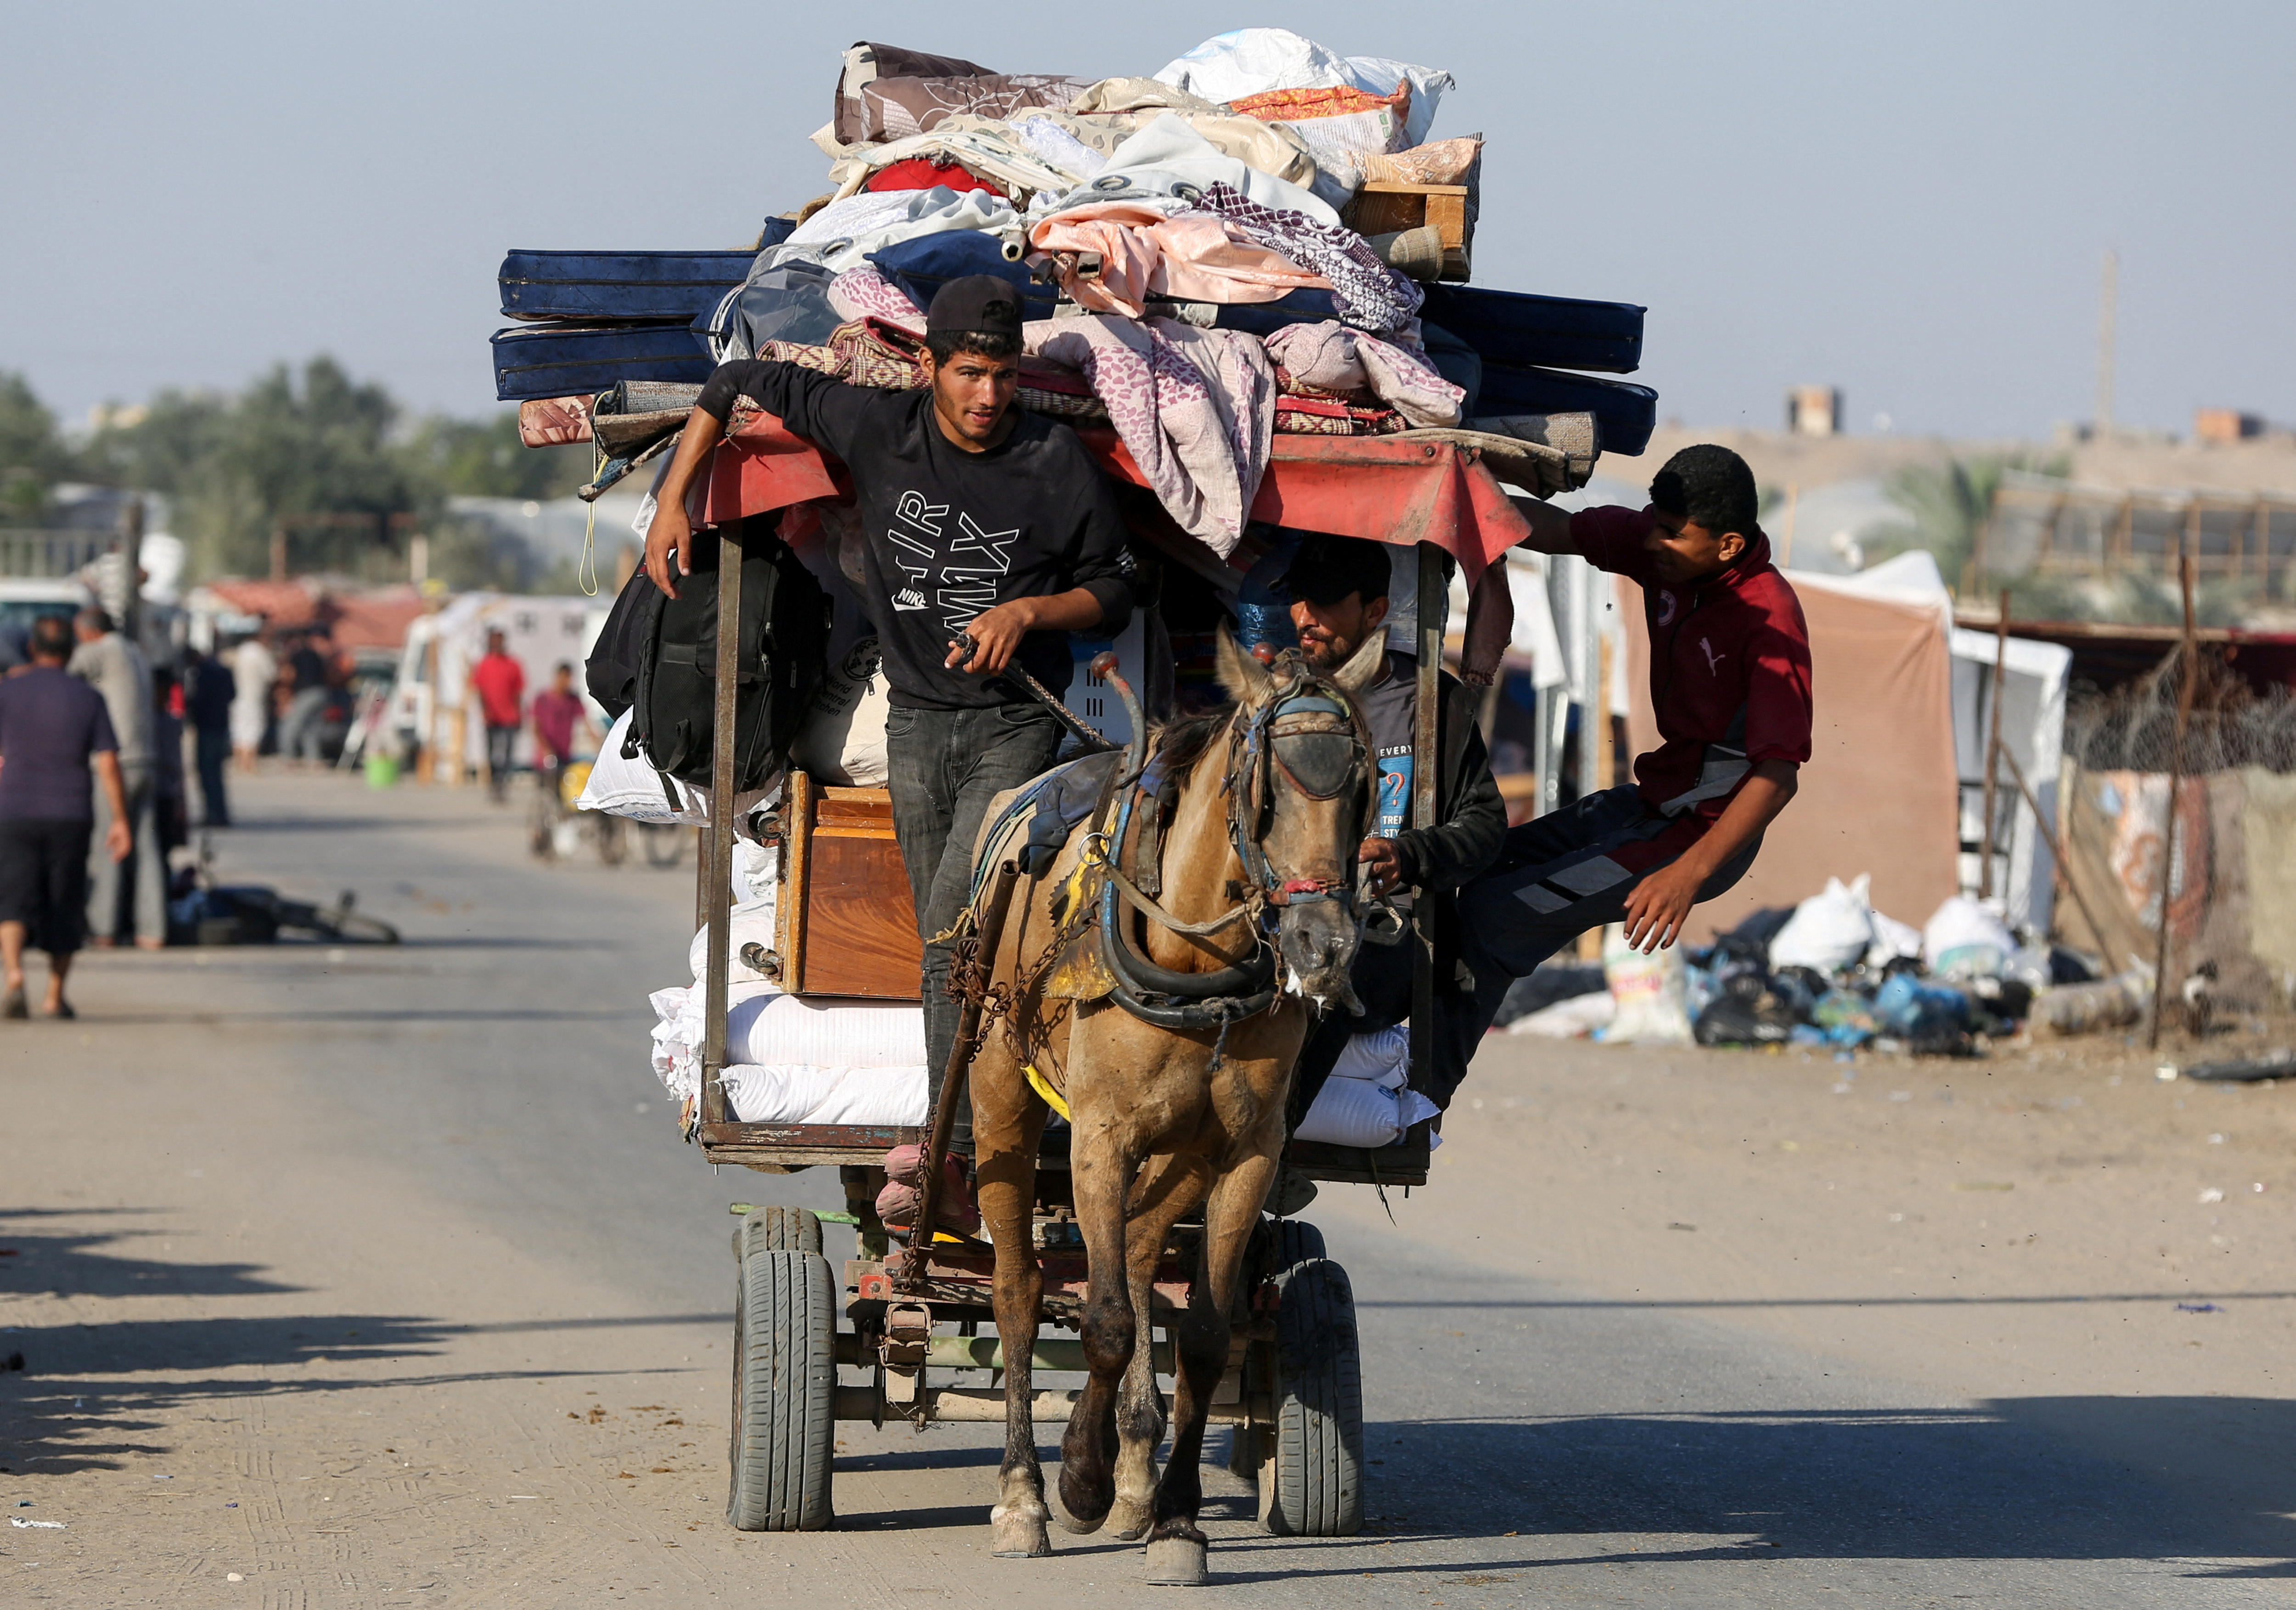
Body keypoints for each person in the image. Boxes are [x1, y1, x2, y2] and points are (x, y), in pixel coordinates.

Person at [643, 274, 1136, 1168]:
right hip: (914, 729)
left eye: (1002, 376)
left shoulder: (1053, 461)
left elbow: (1117, 587)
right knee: (956, 942)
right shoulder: (878, 427)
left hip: (1015, 729)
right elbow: (735, 381)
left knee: (952, 928)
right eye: (969, 374)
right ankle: (1006, 1117)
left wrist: (1027, 616)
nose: (988, 396)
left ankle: (955, 1156)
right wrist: (676, 498)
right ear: (933, 367)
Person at [1452, 444, 1813, 1059]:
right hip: (1653, 800)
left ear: (1726, 545)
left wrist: (1687, 875)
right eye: (1654, 524)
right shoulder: (1666, 551)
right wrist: (1462, 503)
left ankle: (1423, 1080)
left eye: (1672, 533)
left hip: (1699, 833)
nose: (1652, 542)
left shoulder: (1769, 618)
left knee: (1496, 912)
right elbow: (1556, 528)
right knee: (1479, 862)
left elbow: (1778, 774)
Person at [1272, 534, 1507, 1142]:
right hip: (1275, 918)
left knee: (1323, 987)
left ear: (1374, 612)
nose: (1304, 618)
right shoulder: (1277, 700)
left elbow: (1485, 828)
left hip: (1384, 936)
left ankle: (1267, 1148)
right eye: (1298, 600)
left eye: (1323, 603)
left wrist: (1410, 855)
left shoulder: (1432, 703)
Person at [0, 615, 132, 1017]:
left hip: (14, 812)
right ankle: (54, 996)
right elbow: (108, 762)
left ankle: (15, 975)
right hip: (70, 814)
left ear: (32, 648)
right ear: (72, 652)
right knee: (64, 902)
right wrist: (121, 820)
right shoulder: (88, 697)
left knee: (13, 898)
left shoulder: (7, 692)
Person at [68, 608, 163, 949]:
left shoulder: (99, 652)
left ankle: (103, 928)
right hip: (147, 760)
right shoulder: (135, 652)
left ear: (88, 631)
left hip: (115, 763)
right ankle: (152, 930)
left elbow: (58, 678)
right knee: (146, 848)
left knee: (109, 844)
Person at [470, 629, 526, 804]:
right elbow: (480, 690)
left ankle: (503, 785)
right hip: (492, 717)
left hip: (509, 716)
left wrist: (518, 714)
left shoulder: (513, 664)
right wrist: (486, 711)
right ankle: (494, 784)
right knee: (493, 753)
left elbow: (518, 691)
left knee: (508, 755)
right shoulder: (484, 664)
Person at [184, 644, 235, 826]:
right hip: (221, 725)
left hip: (207, 727)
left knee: (208, 772)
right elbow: (232, 695)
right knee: (217, 773)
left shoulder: (202, 674)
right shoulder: (222, 670)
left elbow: (198, 700)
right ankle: (219, 813)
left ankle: (214, 814)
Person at [529, 662, 596, 781]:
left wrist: (598, 742)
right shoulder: (543, 699)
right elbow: (535, 727)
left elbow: (586, 722)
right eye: (565, 677)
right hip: (546, 756)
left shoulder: (573, 700)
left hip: (564, 753)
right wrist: (545, 748)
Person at [276, 631, 332, 765]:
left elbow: (288, 676)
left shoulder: (297, 655)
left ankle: (288, 757)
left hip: (306, 693)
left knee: (291, 726)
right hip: (322, 693)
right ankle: (314, 759)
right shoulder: (316, 655)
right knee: (312, 728)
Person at [229, 630, 276, 770]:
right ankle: (250, 764)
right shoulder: (260, 653)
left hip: (238, 697)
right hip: (254, 697)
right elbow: (271, 674)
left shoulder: (240, 652)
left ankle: (239, 763)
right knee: (253, 730)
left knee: (239, 729)